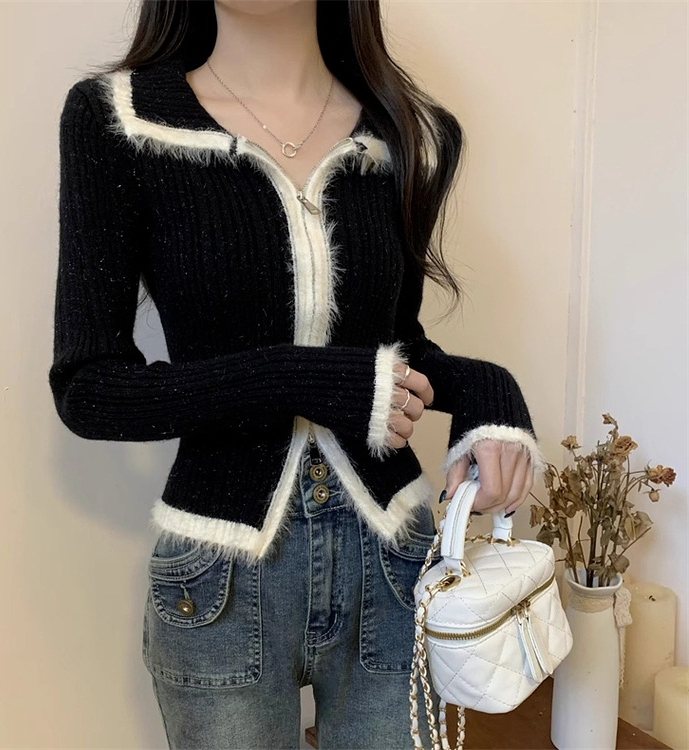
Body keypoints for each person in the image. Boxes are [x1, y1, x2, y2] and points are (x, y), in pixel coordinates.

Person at [49, 1, 546, 747]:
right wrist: (300, 379)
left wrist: (490, 395)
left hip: (396, 562)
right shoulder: (119, 120)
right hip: (219, 580)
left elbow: (394, 348)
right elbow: (89, 389)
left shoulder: (411, 131)